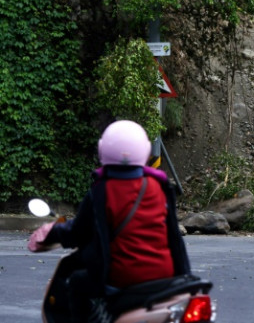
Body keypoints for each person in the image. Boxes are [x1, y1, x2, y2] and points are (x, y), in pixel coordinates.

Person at [28, 120, 191, 323]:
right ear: (146, 151)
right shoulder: (160, 186)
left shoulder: (102, 189)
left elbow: (77, 233)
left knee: (77, 282)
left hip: (123, 278)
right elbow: (172, 234)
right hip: (167, 276)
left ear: (102, 149)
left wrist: (50, 232)